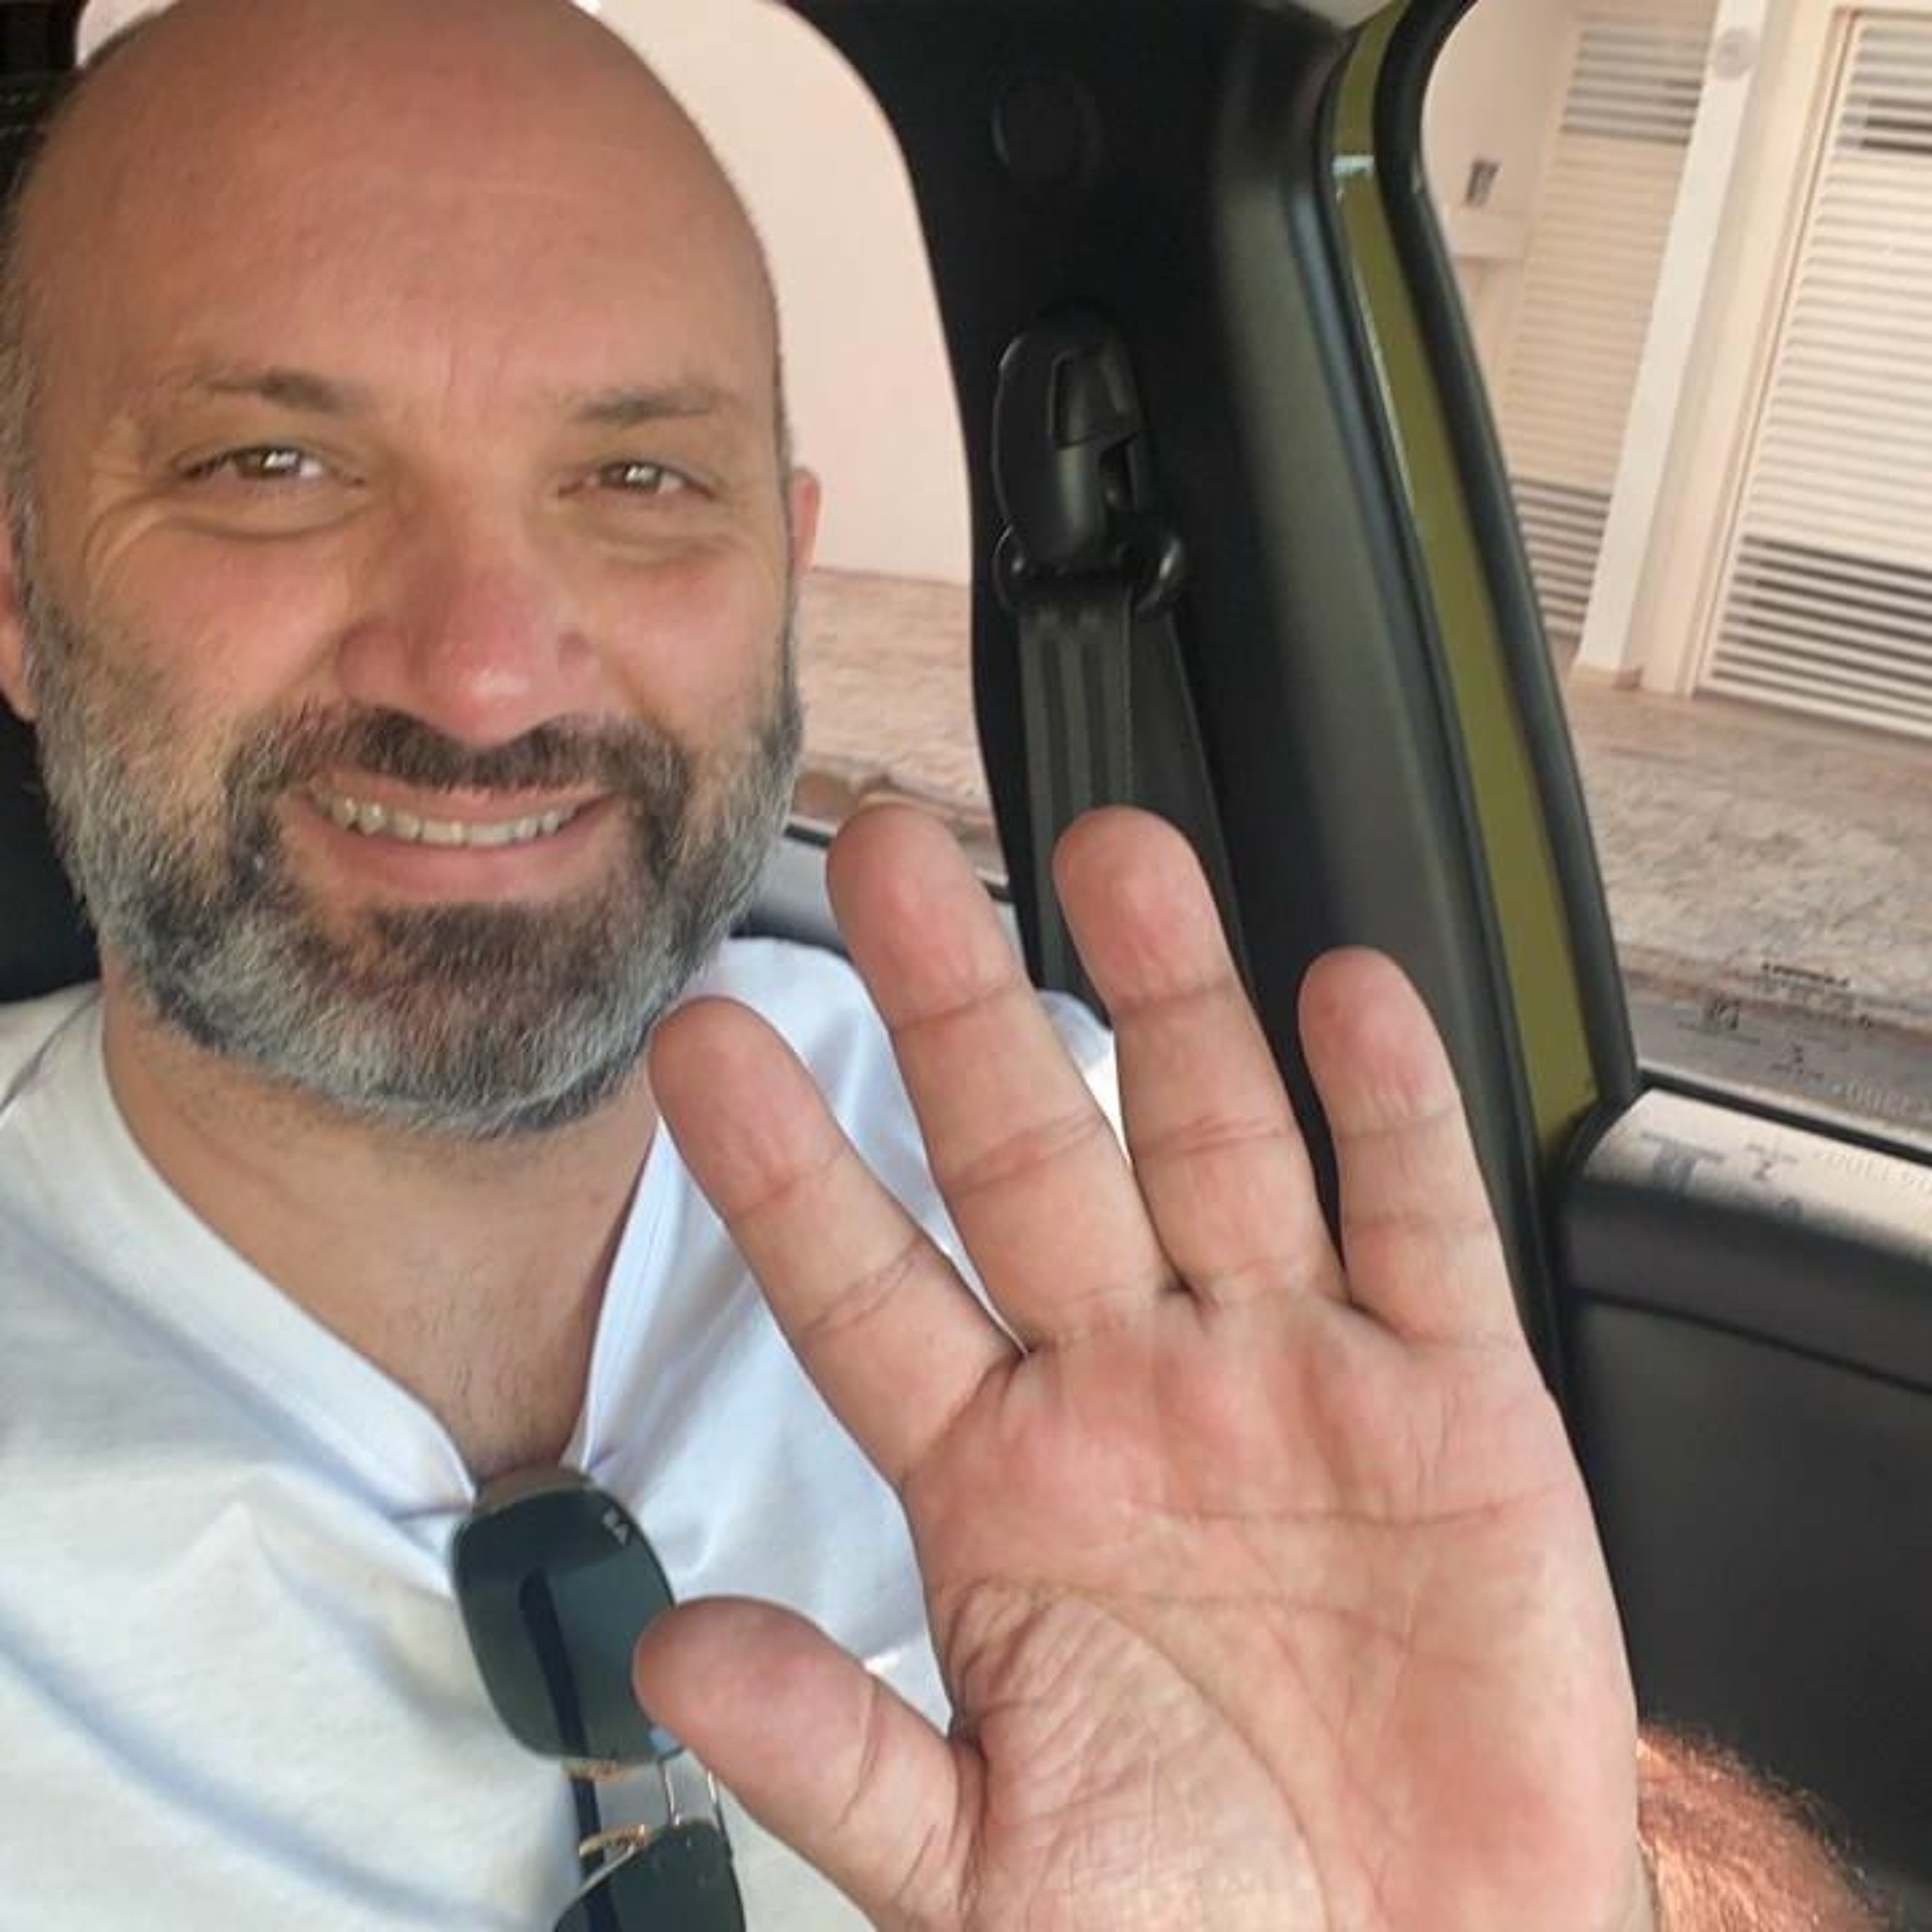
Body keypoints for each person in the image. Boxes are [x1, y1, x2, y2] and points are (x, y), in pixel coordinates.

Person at [0, 1, 1884, 1926]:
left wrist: (1573, 1896)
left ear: (786, 569)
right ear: (16, 589)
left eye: (640, 480)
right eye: (270, 462)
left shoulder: (1107, 1212)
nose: (485, 672)